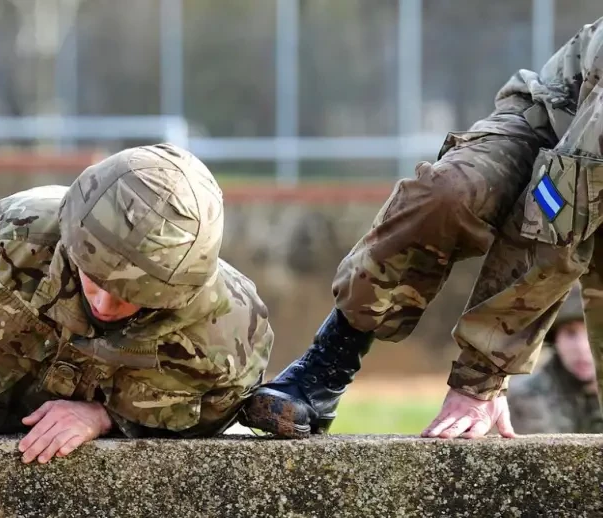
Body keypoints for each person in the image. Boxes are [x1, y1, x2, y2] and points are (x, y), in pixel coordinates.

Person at [241, 17, 603, 439]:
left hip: (584, 165)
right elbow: (560, 209)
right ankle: (328, 365)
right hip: (558, 114)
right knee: (450, 193)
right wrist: (480, 380)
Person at [0, 143, 273, 463]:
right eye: (93, 277)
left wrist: (106, 418)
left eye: (129, 297)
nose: (103, 302)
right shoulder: (20, 230)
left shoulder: (230, 328)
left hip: (121, 468)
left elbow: (217, 412)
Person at [508, 284, 603, 433]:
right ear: (555, 340)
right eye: (570, 334)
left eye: (594, 333)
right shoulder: (526, 395)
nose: (582, 347)